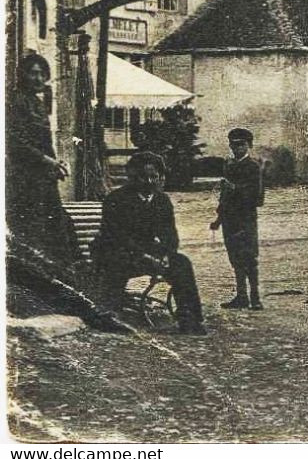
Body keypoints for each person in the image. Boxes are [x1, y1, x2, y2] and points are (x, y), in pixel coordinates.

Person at [91, 151, 206, 334]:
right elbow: (116, 236)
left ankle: (189, 316)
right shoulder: (116, 199)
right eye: (143, 177)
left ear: (161, 177)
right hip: (113, 248)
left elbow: (170, 233)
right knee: (115, 262)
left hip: (146, 250)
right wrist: (146, 257)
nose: (149, 182)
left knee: (181, 263)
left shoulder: (162, 200)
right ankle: (109, 314)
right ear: (132, 177)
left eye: (154, 177)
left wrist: (168, 255)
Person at [5, 54, 75, 264]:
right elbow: (16, 143)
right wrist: (48, 161)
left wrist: (56, 165)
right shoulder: (15, 102)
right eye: (33, 73)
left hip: (43, 178)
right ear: (22, 75)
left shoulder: (37, 103)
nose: (38, 78)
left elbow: (44, 142)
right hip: (25, 180)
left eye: (42, 74)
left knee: (58, 229)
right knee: (35, 231)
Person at [210, 128, 264, 310]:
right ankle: (241, 296)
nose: (236, 148)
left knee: (249, 258)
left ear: (249, 145)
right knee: (235, 259)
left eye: (241, 144)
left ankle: (255, 297)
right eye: (233, 144)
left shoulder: (253, 167)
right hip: (229, 220)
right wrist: (218, 219)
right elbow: (224, 197)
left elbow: (258, 198)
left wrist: (235, 188)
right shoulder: (229, 165)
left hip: (246, 220)